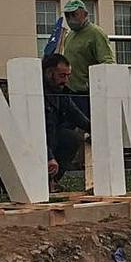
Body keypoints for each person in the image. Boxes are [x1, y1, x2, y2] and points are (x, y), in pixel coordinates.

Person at [43, 53, 90, 189]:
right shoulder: (38, 92)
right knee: (66, 136)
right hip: (35, 142)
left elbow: (76, 115)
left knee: (70, 137)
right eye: (62, 76)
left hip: (50, 138)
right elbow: (40, 132)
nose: (66, 80)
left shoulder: (59, 92)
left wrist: (95, 130)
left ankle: (51, 181)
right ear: (49, 73)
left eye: (68, 76)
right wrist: (49, 157)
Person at [60, 0, 113, 116]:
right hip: (69, 90)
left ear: (85, 14)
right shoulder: (70, 35)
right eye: (67, 15)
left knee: (86, 126)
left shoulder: (95, 33)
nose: (70, 19)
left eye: (74, 14)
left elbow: (108, 62)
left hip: (86, 93)